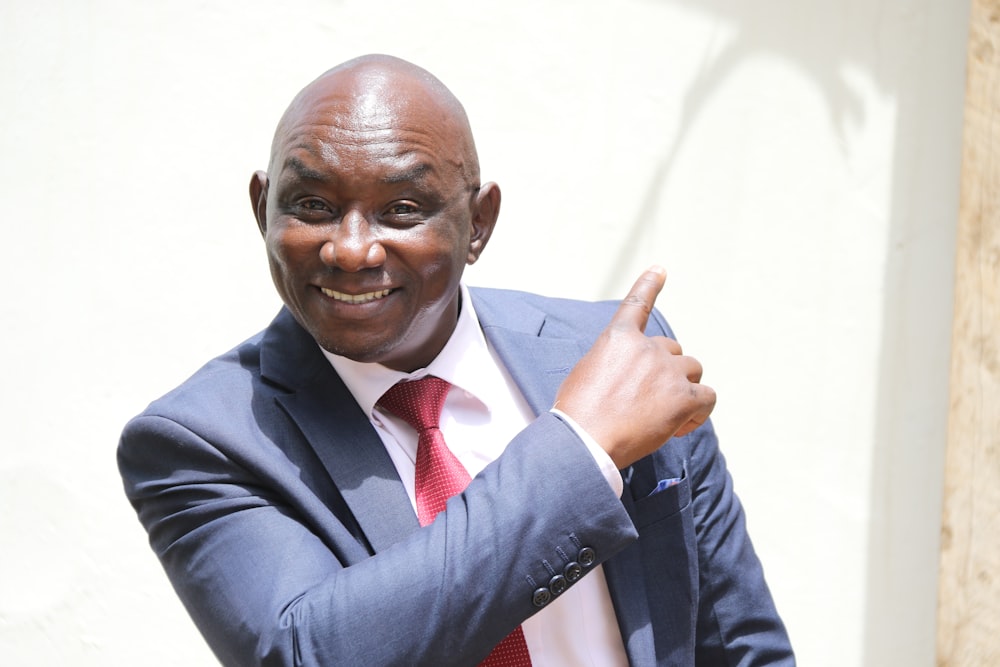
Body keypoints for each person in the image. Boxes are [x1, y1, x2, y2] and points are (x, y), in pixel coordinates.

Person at [118, 54, 793, 666]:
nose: (351, 249)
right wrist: (581, 451)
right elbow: (308, 653)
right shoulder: (201, 439)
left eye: (403, 209)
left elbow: (740, 644)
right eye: (314, 205)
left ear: (480, 224)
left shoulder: (613, 357)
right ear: (262, 206)